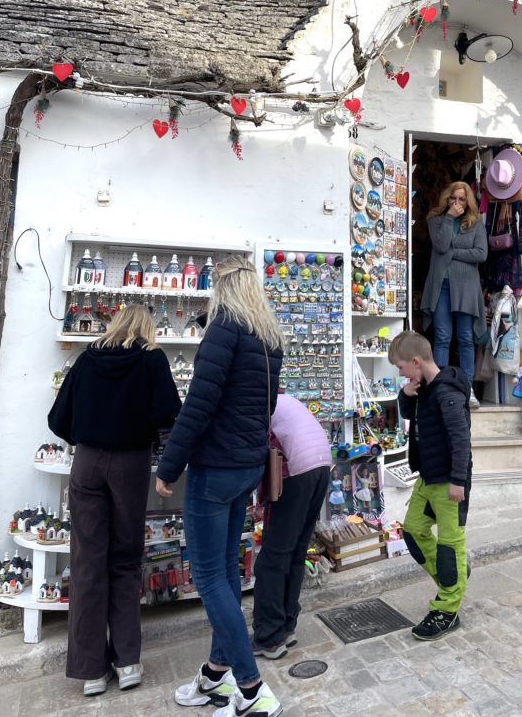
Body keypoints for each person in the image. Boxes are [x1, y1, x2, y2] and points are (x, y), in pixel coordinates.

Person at [155, 256, 284, 717]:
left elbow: (199, 405)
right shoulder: (268, 337)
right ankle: (216, 673)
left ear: (221, 287)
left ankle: (251, 691)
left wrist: (168, 465)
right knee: (227, 573)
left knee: (208, 577)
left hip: (215, 469)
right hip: (247, 466)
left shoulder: (224, 328)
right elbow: (264, 406)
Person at [47, 305, 181, 697]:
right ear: (145, 328)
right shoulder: (151, 359)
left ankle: (90, 670)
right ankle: (127, 663)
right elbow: (169, 414)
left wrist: (88, 436)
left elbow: (57, 419)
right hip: (130, 464)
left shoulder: (88, 359)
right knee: (125, 558)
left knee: (87, 562)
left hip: (86, 463)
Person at [388, 330, 471, 641]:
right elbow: (414, 419)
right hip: (427, 476)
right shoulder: (424, 388)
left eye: (400, 368)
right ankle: (455, 578)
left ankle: (447, 609)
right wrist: (405, 395)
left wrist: (458, 481)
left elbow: (461, 438)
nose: (400, 374)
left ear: (415, 361)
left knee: (450, 547)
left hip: (449, 481)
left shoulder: (447, 393)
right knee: (412, 532)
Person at [251, 391, 331, 659]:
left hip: (296, 471)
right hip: (320, 465)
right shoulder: (284, 399)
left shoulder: (258, 401)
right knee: (296, 551)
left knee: (272, 556)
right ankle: (287, 626)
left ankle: (270, 637)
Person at [421, 181, 487, 409]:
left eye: (461, 199)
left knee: (466, 339)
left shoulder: (476, 223)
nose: (457, 203)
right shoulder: (435, 219)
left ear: (468, 201)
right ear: (446, 199)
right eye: (453, 198)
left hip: (467, 288)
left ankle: (467, 390)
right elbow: (440, 246)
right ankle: (441, 389)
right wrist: (449, 217)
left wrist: (453, 253)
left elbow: (481, 253)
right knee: (442, 337)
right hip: (442, 286)